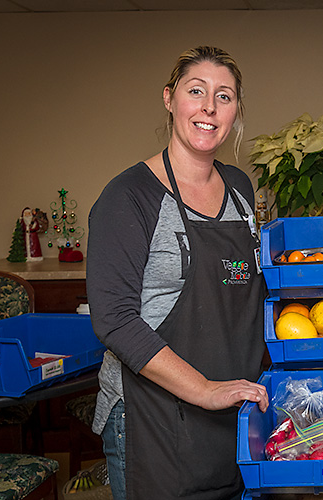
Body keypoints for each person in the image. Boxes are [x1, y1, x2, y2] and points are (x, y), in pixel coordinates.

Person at [87, 46, 269, 500]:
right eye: (196, 91)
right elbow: (114, 319)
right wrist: (204, 389)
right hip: (154, 419)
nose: (209, 107)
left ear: (235, 112)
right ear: (169, 99)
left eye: (224, 96)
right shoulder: (129, 197)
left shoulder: (241, 189)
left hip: (234, 413)